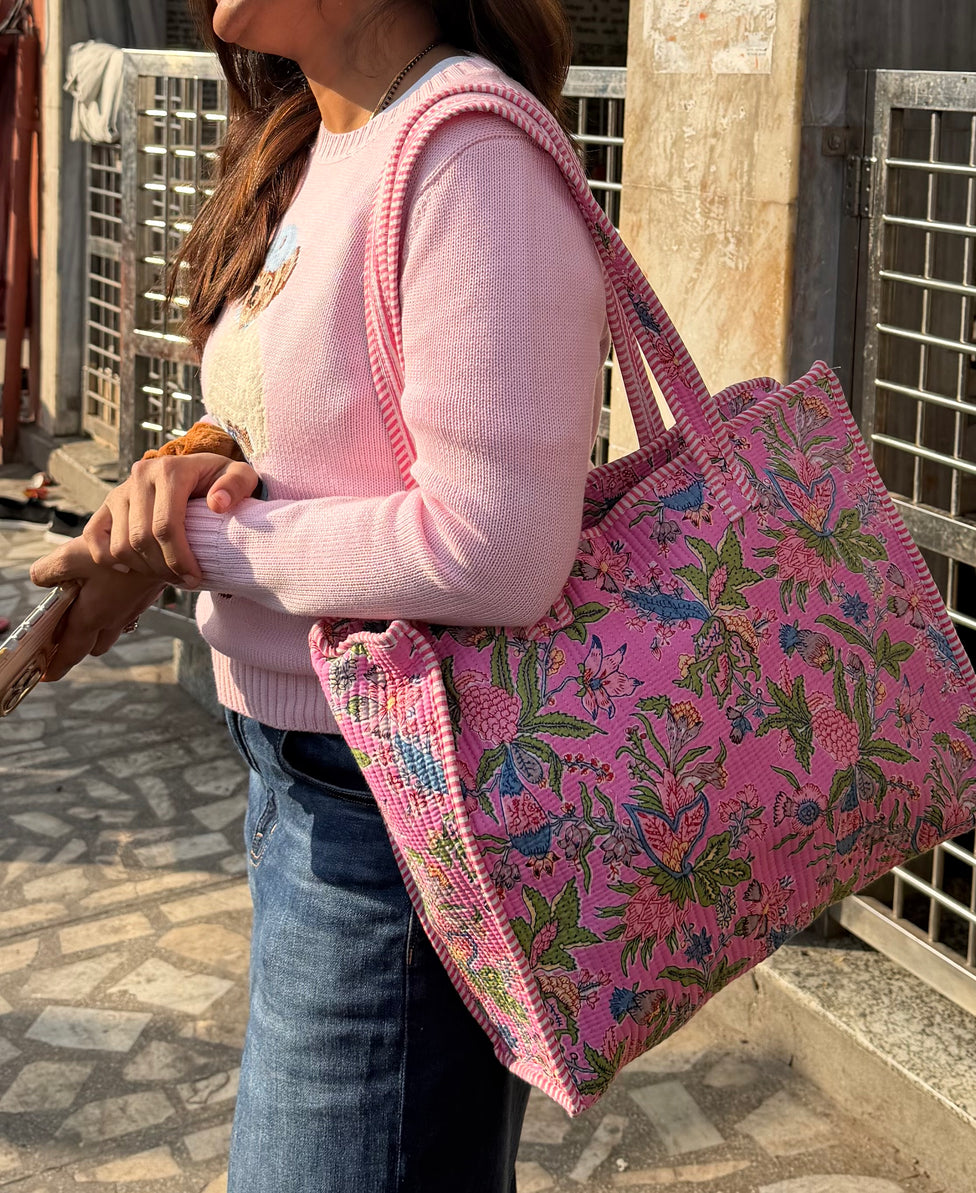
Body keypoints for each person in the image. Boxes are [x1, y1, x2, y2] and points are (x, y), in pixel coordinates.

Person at [32, 1, 609, 1188]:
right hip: (301, 787)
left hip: (393, 823)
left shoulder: (469, 156)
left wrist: (195, 546)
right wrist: (200, 456)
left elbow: (496, 547)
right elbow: (321, 431)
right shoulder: (322, 140)